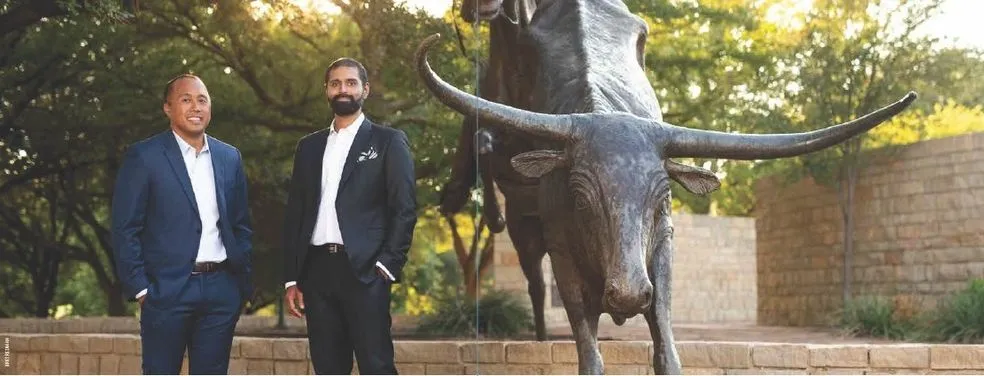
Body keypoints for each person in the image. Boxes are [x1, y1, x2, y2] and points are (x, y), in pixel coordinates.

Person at [282, 57, 417, 374]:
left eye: (351, 83)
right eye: (335, 83)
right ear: (327, 91)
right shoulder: (309, 147)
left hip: (367, 270)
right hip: (316, 272)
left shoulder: (388, 142)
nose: (343, 89)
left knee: (377, 365)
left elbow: (405, 208)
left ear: (365, 90)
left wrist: (387, 265)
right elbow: (295, 214)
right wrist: (292, 277)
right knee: (328, 368)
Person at [111, 74, 253, 375]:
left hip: (220, 290)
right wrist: (140, 288)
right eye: (186, 99)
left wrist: (239, 283)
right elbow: (126, 228)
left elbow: (241, 224)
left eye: (202, 100)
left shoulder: (229, 157)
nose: (196, 107)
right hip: (166, 292)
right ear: (167, 108)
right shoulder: (144, 156)